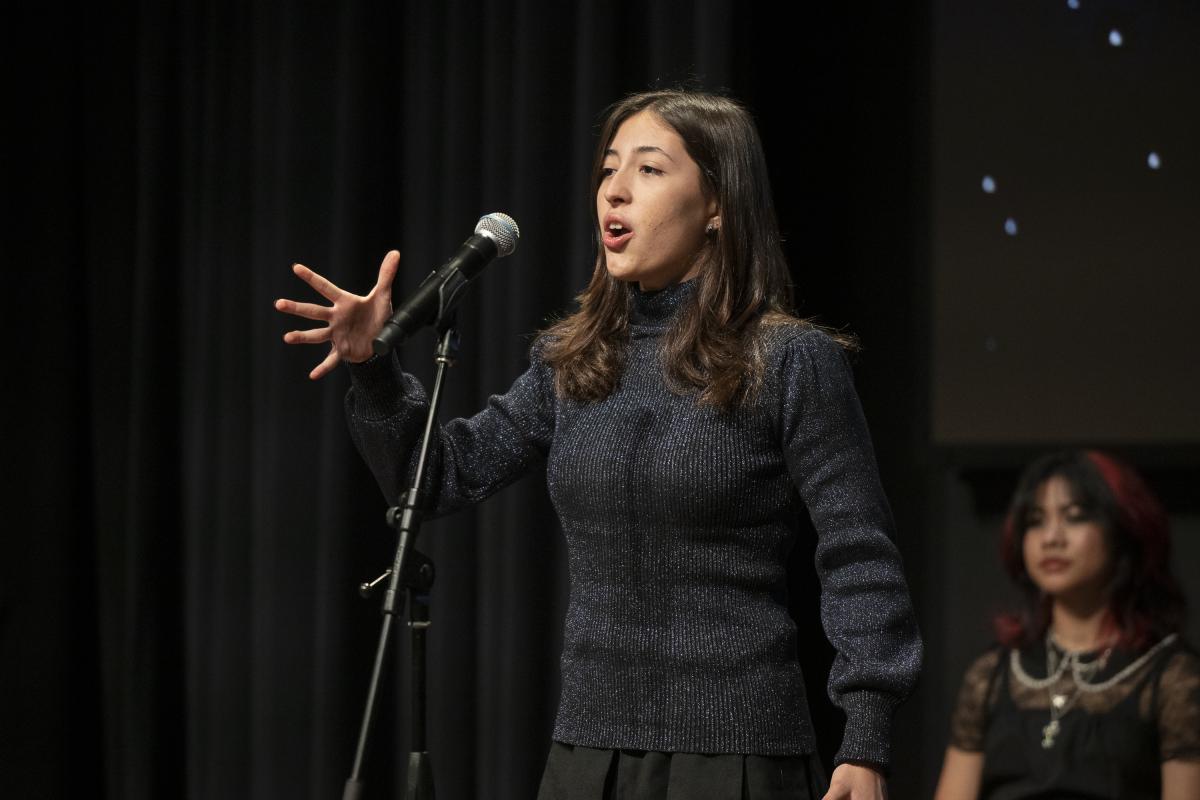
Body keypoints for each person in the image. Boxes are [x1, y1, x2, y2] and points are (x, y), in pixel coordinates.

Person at [276, 89, 922, 800]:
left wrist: (866, 734)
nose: (613, 190)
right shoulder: (576, 362)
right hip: (589, 753)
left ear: (717, 205)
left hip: (736, 752)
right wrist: (373, 369)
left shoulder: (789, 361)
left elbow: (859, 553)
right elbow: (436, 478)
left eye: (648, 170)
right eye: (608, 170)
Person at [934, 450, 1200, 800]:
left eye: (1074, 517)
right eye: (1036, 521)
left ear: (1123, 529)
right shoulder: (992, 675)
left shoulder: (1172, 676)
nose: (1051, 538)